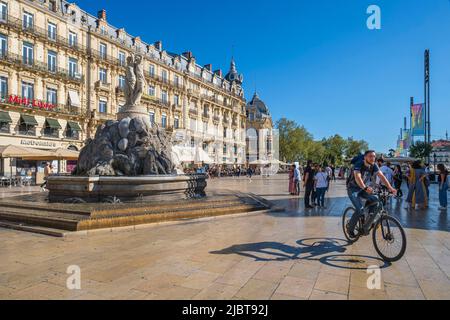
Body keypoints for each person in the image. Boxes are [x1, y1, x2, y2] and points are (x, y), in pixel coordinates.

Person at [346, 150, 397, 238]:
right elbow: (357, 177)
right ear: (365, 157)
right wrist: (365, 187)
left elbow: (381, 176)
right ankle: (350, 228)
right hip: (353, 189)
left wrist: (390, 188)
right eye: (370, 156)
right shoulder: (359, 163)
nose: (373, 158)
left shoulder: (374, 165)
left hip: (363, 189)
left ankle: (369, 219)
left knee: (376, 200)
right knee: (360, 210)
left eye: (374, 156)